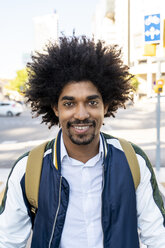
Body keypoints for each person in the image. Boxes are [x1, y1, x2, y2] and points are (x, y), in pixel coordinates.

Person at [0, 36, 165, 248]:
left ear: (105, 106)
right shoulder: (29, 169)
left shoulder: (133, 161)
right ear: (56, 109)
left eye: (92, 102)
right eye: (69, 103)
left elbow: (158, 237)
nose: (81, 114)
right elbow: (7, 242)